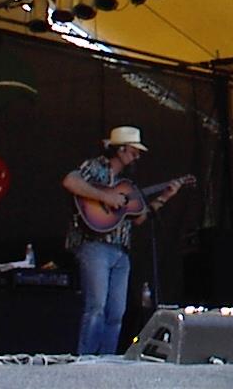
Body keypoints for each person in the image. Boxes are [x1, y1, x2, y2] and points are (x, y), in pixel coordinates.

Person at [62, 125, 181, 355]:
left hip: (121, 250)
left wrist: (164, 197)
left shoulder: (126, 182)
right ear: (121, 149)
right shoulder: (95, 166)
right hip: (94, 245)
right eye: (134, 151)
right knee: (96, 306)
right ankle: (86, 360)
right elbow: (70, 181)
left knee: (117, 312)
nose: (137, 157)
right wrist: (105, 196)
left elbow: (138, 219)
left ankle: (107, 360)